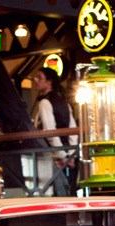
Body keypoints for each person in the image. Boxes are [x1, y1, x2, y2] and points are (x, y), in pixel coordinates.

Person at [31, 67, 78, 196]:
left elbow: (49, 132)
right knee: (66, 188)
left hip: (52, 155)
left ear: (49, 82)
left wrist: (62, 155)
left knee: (52, 191)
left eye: (39, 77)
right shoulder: (64, 102)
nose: (35, 80)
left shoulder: (45, 102)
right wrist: (71, 153)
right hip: (67, 153)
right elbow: (73, 129)